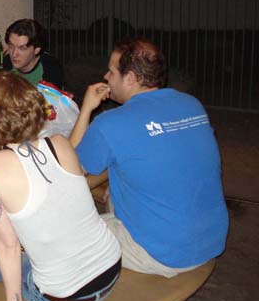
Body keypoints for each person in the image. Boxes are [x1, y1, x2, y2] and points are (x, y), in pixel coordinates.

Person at [69, 38, 229, 278]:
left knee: (63, 235)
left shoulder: (111, 123)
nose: (106, 77)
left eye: (112, 72)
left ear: (131, 78)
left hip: (163, 253)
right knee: (120, 184)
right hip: (210, 239)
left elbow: (70, 168)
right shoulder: (191, 104)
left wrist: (86, 109)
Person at [0, 72, 121, 301]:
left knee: (0, 256)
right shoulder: (60, 143)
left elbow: (10, 246)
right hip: (111, 268)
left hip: (66, 298)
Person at [0, 19, 63, 88]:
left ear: (36, 50)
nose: (14, 54)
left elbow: (49, 105)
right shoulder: (6, 63)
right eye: (11, 46)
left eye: (22, 48)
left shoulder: (50, 67)